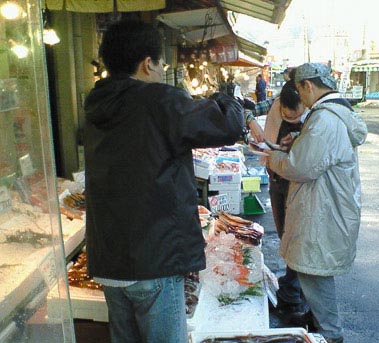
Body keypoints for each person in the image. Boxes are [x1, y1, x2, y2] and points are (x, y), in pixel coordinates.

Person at [83, 20, 244, 343]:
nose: (161, 70)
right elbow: (227, 124)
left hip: (109, 259)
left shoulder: (97, 102)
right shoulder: (157, 99)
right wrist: (224, 96)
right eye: (161, 64)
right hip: (152, 258)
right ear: (147, 63)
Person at [266, 63, 368, 343]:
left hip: (323, 208)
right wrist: (298, 140)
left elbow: (300, 167)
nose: (301, 97)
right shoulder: (333, 113)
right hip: (326, 204)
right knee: (313, 267)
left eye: (300, 90)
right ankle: (317, 319)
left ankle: (331, 335)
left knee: (315, 272)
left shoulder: (325, 119)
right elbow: (320, 153)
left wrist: (272, 157)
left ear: (307, 86)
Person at [262, 79, 311, 320]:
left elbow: (308, 161)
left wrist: (294, 140)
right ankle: (293, 290)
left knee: (298, 237)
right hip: (278, 181)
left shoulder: (317, 116)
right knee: (285, 235)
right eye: (287, 115)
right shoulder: (274, 108)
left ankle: (293, 293)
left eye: (297, 115)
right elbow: (266, 144)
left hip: (301, 185)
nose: (291, 117)